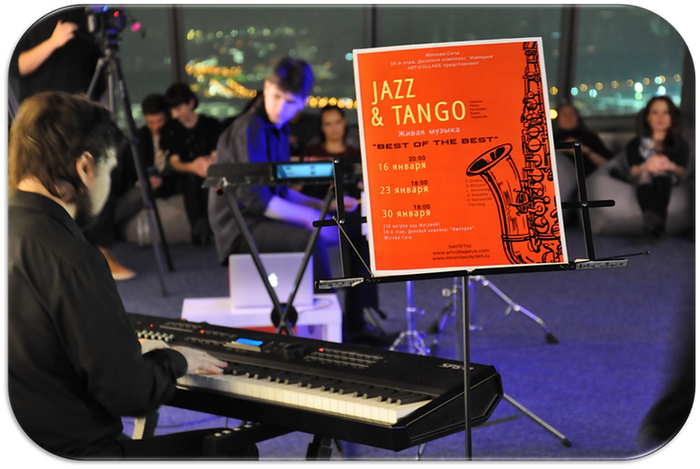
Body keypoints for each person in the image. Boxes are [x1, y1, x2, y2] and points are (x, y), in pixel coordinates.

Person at [8, 91, 233, 459]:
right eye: (110, 169)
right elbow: (129, 393)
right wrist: (176, 359)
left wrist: (121, 349)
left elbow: (40, 347)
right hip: (81, 453)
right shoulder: (73, 257)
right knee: (234, 449)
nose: (108, 183)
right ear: (85, 167)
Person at [209, 57, 392, 346]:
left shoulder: (279, 129)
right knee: (310, 237)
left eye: (290, 101)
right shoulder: (249, 129)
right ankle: (336, 335)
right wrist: (309, 218)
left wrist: (326, 206)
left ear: (302, 103)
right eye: (276, 96)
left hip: (262, 216)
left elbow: (280, 191)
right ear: (266, 88)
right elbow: (256, 200)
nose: (281, 107)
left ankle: (356, 321)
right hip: (240, 226)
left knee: (356, 227)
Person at [299, 106, 391, 344]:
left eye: (337, 122)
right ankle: (354, 321)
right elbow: (296, 190)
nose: (333, 128)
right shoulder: (311, 153)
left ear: (344, 123)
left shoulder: (354, 153)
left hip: (348, 215)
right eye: (328, 123)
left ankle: (355, 318)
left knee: (364, 241)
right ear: (322, 127)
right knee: (359, 241)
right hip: (316, 215)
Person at [160, 83, 222, 246]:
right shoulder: (170, 129)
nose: (175, 115)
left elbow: (216, 155)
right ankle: (198, 227)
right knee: (192, 178)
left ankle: (205, 227)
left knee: (206, 179)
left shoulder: (210, 124)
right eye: (172, 110)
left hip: (208, 172)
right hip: (183, 177)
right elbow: (175, 163)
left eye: (178, 108)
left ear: (191, 103)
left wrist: (204, 165)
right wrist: (193, 166)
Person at [625, 96, 689, 237]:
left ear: (672, 117)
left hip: (668, 179)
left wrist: (669, 165)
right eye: (655, 112)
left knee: (661, 173)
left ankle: (653, 221)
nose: (661, 117)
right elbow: (632, 172)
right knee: (645, 175)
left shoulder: (680, 144)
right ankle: (657, 221)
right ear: (648, 117)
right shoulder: (634, 144)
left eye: (666, 112)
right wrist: (646, 166)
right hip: (643, 178)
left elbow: (682, 173)